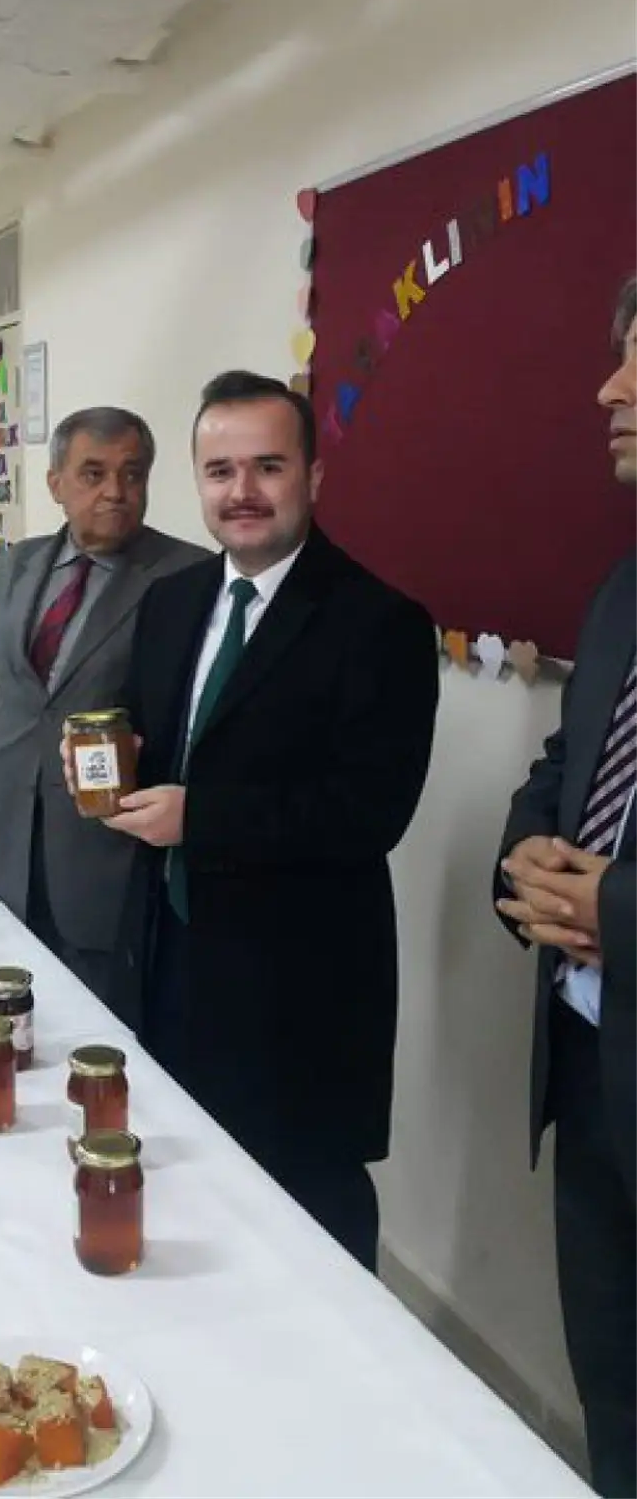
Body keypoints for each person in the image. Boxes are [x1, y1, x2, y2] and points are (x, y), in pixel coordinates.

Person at [94, 370, 439, 1272]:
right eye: (220, 471)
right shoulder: (172, 602)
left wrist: (200, 818)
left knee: (309, 1232)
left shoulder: (381, 623)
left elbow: (369, 811)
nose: (241, 491)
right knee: (185, 1203)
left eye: (268, 467)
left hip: (298, 992)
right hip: (170, 960)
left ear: (313, 477)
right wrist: (106, 762)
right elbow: (160, 744)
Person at [496, 272, 637, 1499]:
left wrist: (618, 912)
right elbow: (567, 764)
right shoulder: (623, 585)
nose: (609, 388)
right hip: (591, 1073)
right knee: (616, 1399)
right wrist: (527, 854)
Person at [0, 406, 205, 1002]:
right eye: (93, 473)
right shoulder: (14, 567)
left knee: (96, 1035)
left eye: (133, 474)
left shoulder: (188, 577)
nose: (115, 492)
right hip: (9, 857)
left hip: (109, 871)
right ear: (55, 483)